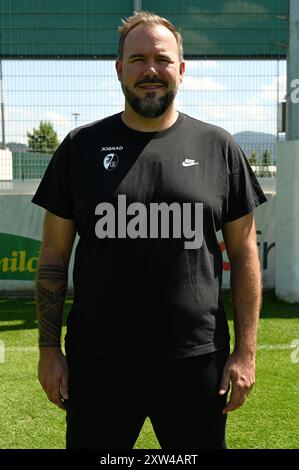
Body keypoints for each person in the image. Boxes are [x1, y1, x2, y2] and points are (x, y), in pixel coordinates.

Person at [32, 11, 267, 450]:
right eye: (137, 59)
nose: (150, 70)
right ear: (119, 69)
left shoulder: (219, 147)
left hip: (197, 362)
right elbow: (52, 257)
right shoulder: (79, 148)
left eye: (161, 58)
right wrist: (48, 351)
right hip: (98, 361)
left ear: (181, 68)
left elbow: (246, 253)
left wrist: (246, 352)